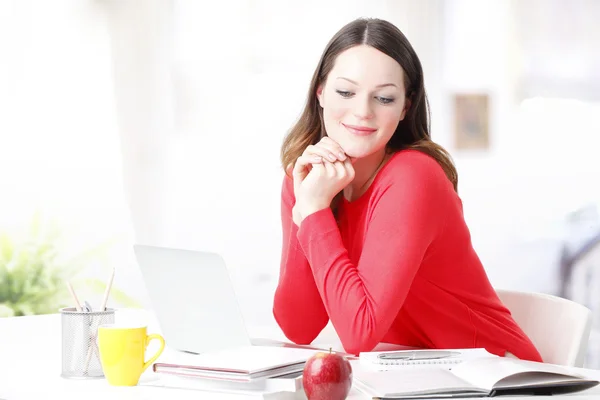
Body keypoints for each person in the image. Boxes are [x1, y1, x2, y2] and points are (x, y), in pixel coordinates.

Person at [272, 17, 542, 362]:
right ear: (320, 92)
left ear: (405, 107)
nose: (362, 112)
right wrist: (307, 205)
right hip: (410, 378)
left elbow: (359, 334)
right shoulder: (308, 180)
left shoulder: (413, 176)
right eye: (345, 92)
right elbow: (298, 326)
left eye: (384, 98)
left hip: (495, 378)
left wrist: (313, 214)